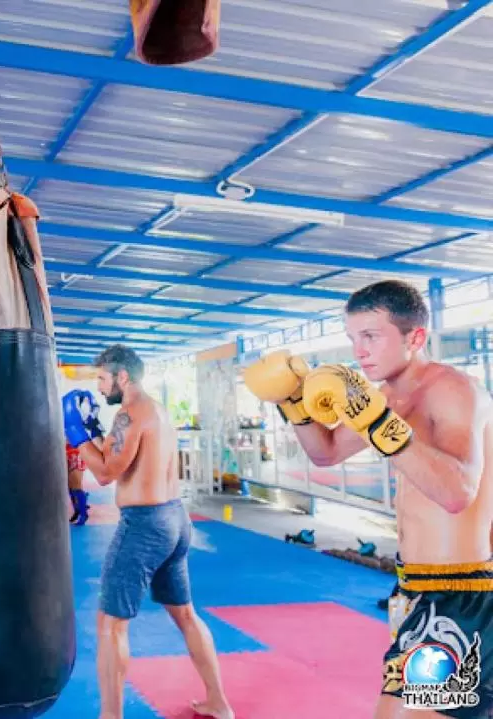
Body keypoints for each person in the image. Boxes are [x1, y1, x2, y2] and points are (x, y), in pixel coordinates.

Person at [243, 279, 493, 718]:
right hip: (416, 588)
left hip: (461, 592)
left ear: (415, 337)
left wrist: (380, 423)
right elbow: (326, 452)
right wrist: (294, 402)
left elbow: (457, 493)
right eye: (353, 338)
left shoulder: (453, 390)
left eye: (371, 336)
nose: (359, 351)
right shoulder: (386, 396)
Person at [63, 344, 234, 719]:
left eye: (103, 379)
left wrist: (76, 435)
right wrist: (94, 435)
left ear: (123, 377)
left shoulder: (129, 413)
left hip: (145, 526)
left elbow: (107, 472)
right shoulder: (157, 410)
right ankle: (218, 702)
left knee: (109, 624)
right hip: (176, 520)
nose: (100, 387)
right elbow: (118, 459)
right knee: (186, 615)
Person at [67, 441, 90, 525]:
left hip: (75, 453)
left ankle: (84, 514)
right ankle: (77, 510)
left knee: (76, 486)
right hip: (66, 453)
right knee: (70, 487)